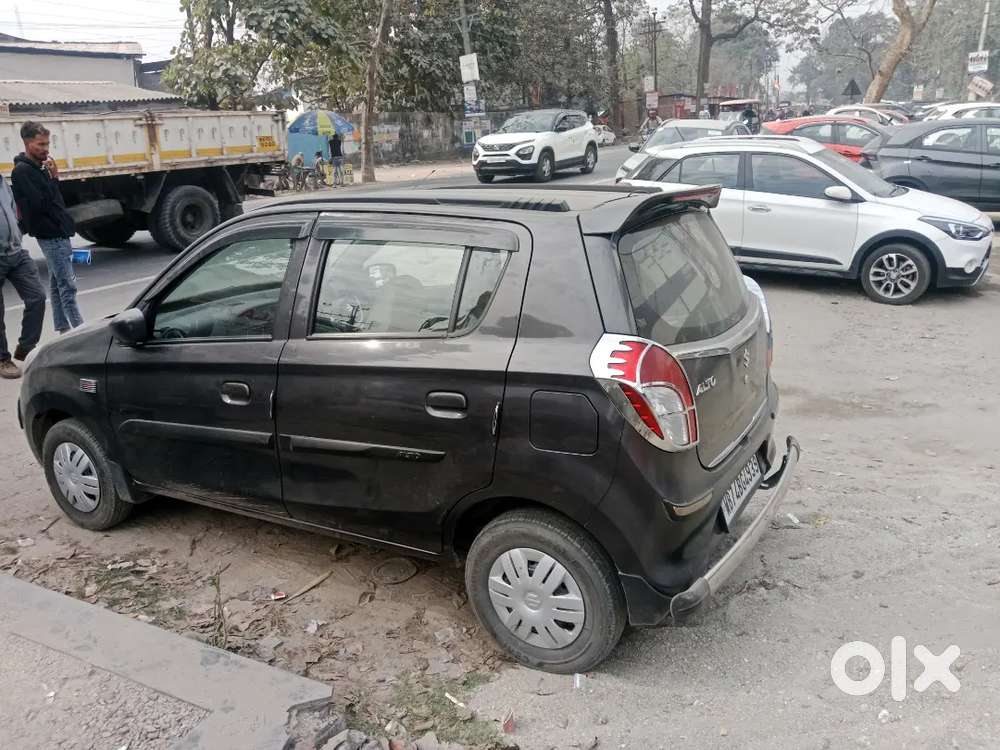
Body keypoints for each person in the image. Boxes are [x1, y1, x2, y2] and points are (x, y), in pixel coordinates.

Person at [11, 121, 82, 336]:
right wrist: (54, 178)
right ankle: (79, 332)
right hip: (50, 234)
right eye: (40, 144)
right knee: (68, 285)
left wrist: (52, 178)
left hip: (58, 231)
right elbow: (40, 204)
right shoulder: (23, 171)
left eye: (47, 144)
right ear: (27, 143)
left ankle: (62, 327)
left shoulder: (39, 168)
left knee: (57, 282)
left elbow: (53, 201)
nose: (45, 149)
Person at [0, 170, 46, 379]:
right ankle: (2, 359)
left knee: (37, 297)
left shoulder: (1, 180)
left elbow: (10, 208)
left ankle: (26, 347)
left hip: (16, 251)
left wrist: (16, 233)